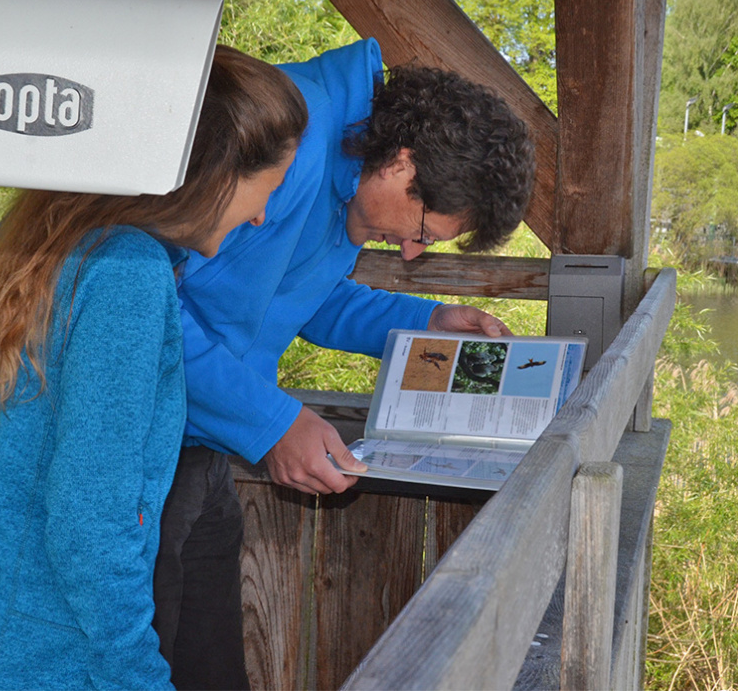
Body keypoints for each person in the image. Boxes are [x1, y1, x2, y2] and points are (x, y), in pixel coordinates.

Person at [0, 45, 307, 691]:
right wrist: (142, 681)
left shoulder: (33, 241)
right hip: (36, 665)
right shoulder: (127, 273)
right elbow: (89, 529)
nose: (262, 214)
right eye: (270, 187)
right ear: (215, 171)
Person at [153, 37, 535, 690]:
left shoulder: (346, 173)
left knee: (207, 663)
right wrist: (271, 423)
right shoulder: (280, 143)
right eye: (423, 230)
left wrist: (422, 322)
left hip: (198, 435)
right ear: (402, 164)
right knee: (131, 656)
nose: (411, 252)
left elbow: (297, 292)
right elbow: (140, 306)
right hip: (134, 436)